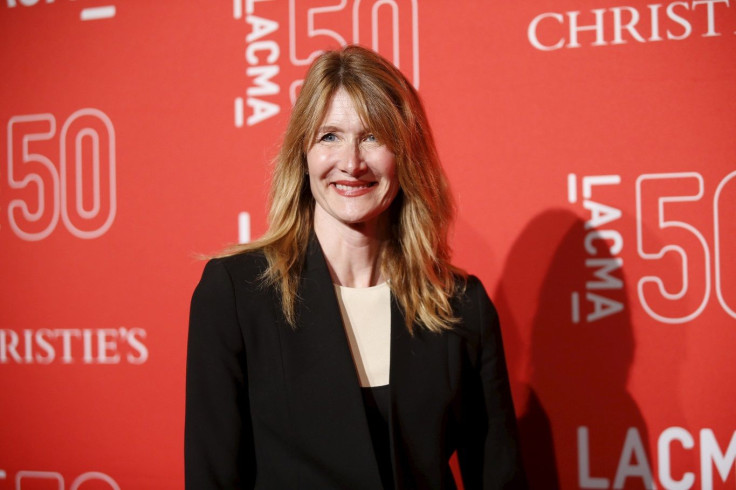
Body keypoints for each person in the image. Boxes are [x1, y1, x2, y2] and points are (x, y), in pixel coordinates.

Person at [185, 44, 527, 489]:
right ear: (302, 153)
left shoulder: (462, 306)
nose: (351, 163)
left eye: (372, 136)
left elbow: (500, 478)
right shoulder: (235, 293)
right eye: (330, 136)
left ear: (406, 154)